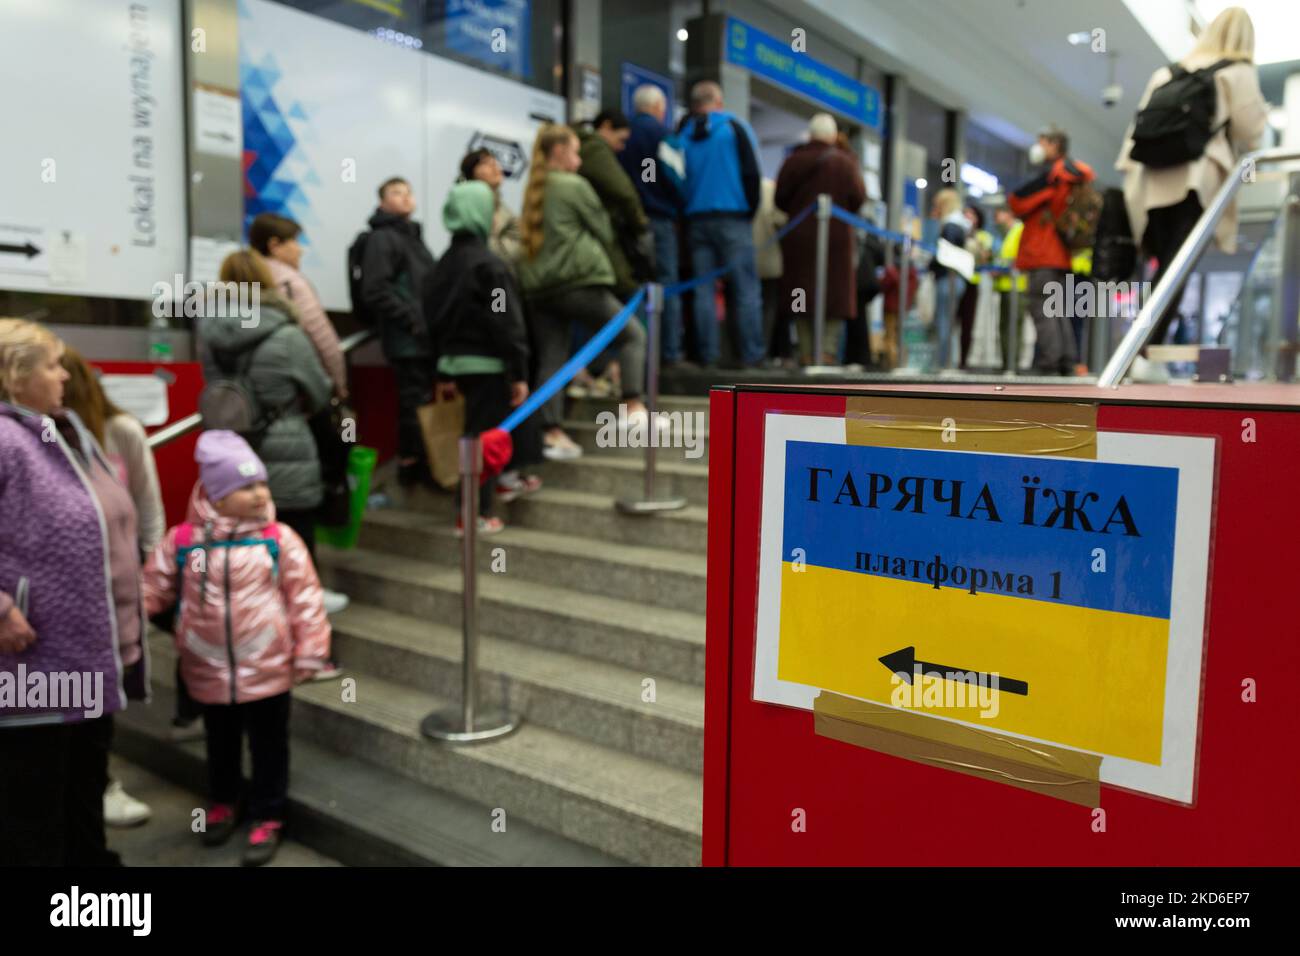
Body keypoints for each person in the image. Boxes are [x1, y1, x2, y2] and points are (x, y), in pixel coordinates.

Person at [142, 431, 330, 867]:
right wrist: (125, 620)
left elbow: (305, 598)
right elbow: (153, 587)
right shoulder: (184, 540)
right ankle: (224, 800)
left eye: (261, 484)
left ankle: (269, 812)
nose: (260, 493)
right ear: (216, 495)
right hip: (206, 667)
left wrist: (309, 652)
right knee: (219, 740)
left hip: (267, 665)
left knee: (269, 744)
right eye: (246, 487)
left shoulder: (278, 539)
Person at [0, 318, 147, 866]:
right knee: (33, 801)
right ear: (16, 375)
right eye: (52, 365)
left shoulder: (61, 429)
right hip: (31, 660)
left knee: (82, 784)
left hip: (85, 652)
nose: (66, 375)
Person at [201, 250, 341, 680]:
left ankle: (251, 654)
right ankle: (308, 655)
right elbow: (320, 392)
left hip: (232, 460)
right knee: (296, 559)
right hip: (287, 456)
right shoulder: (288, 334)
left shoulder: (210, 334)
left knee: (245, 561)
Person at [1116, 5, 1267, 348]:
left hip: (1151, 182)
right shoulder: (1237, 71)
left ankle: (1138, 348)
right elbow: (1250, 128)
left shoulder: (1169, 71)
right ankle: (1142, 350)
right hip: (1194, 182)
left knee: (1161, 267)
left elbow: (1135, 130)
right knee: (1176, 270)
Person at [59, 347, 162, 828]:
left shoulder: (121, 432)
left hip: (114, 585)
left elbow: (148, 504)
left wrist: (154, 567)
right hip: (60, 590)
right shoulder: (34, 438)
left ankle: (98, 784)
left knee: (105, 688)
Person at [516, 124, 651, 459]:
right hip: (577, 282)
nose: (578, 161)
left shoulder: (534, 188)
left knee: (551, 359)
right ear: (559, 151)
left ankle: (551, 432)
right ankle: (633, 406)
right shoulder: (573, 185)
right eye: (575, 152)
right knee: (633, 335)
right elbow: (604, 230)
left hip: (539, 290)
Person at [249, 214, 352, 619]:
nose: (300, 249)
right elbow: (323, 338)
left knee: (262, 512)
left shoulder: (234, 295)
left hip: (246, 426)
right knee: (300, 504)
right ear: (274, 245)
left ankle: (268, 589)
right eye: (294, 241)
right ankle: (305, 592)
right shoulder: (288, 284)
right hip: (292, 415)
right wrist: (337, 388)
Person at [423, 181, 539, 535]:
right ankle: (473, 513)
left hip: (451, 366)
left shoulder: (440, 267)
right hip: (489, 365)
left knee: (472, 438)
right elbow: (504, 319)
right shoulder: (489, 266)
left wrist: (441, 369)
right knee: (483, 442)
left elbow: (432, 320)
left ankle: (479, 503)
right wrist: (518, 371)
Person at [358, 177, 438, 486]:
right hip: (407, 338)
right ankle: (412, 464)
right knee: (412, 400)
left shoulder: (413, 237)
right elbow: (375, 289)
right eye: (396, 192)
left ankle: (422, 460)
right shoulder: (382, 238)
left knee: (421, 399)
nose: (404, 197)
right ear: (382, 202)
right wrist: (412, 320)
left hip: (423, 337)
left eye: (408, 191)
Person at [679, 81, 764, 368]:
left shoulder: (683, 133)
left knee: (703, 290)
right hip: (733, 218)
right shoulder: (734, 128)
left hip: (696, 220)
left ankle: (708, 356)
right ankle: (750, 355)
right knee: (746, 289)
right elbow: (752, 174)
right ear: (718, 101)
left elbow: (675, 177)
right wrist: (749, 211)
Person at [775, 113, 867, 366]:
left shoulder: (793, 160)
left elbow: (779, 199)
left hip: (799, 239)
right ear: (833, 136)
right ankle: (826, 352)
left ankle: (805, 351)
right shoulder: (846, 162)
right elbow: (859, 199)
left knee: (800, 292)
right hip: (836, 241)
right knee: (834, 296)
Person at [1008, 125, 1095, 375]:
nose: (1038, 147)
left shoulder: (1053, 176)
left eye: (1042, 142)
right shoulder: (1072, 175)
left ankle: (1049, 362)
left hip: (1042, 254)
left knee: (1042, 308)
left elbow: (1016, 202)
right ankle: (1067, 361)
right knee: (1057, 310)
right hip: (1061, 256)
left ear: (1054, 145)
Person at [620, 84, 687, 366]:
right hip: (659, 219)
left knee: (633, 287)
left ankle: (635, 356)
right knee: (666, 287)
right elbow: (676, 177)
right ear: (660, 108)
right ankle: (668, 353)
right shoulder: (665, 135)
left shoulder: (623, 135)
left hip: (628, 222)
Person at [577, 109, 651, 303]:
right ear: (607, 126)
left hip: (591, 237)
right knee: (628, 291)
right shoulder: (595, 148)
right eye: (621, 140)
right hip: (602, 235)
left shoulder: (585, 146)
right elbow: (624, 190)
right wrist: (640, 224)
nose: (622, 147)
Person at [929, 188, 971, 370]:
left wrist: (931, 265)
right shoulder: (962, 224)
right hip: (957, 279)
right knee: (950, 321)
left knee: (944, 321)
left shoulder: (950, 226)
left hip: (948, 278)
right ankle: (948, 362)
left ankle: (943, 363)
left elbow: (945, 254)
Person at [459, 148, 523, 268]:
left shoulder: (506, 212)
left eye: (495, 162)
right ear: (472, 173)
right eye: (485, 163)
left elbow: (510, 255)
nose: (494, 166)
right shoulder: (467, 210)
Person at [752, 176, 787, 365]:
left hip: (745, 257)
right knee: (769, 306)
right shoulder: (771, 188)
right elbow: (781, 219)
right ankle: (761, 352)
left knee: (743, 303)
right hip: (769, 257)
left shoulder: (739, 184)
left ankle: (747, 351)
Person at [957, 204, 995, 369]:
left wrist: (974, 239)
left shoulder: (984, 236)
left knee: (968, 323)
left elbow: (986, 257)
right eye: (965, 214)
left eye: (972, 215)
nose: (968, 218)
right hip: (956, 280)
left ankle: (964, 360)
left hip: (973, 282)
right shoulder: (957, 233)